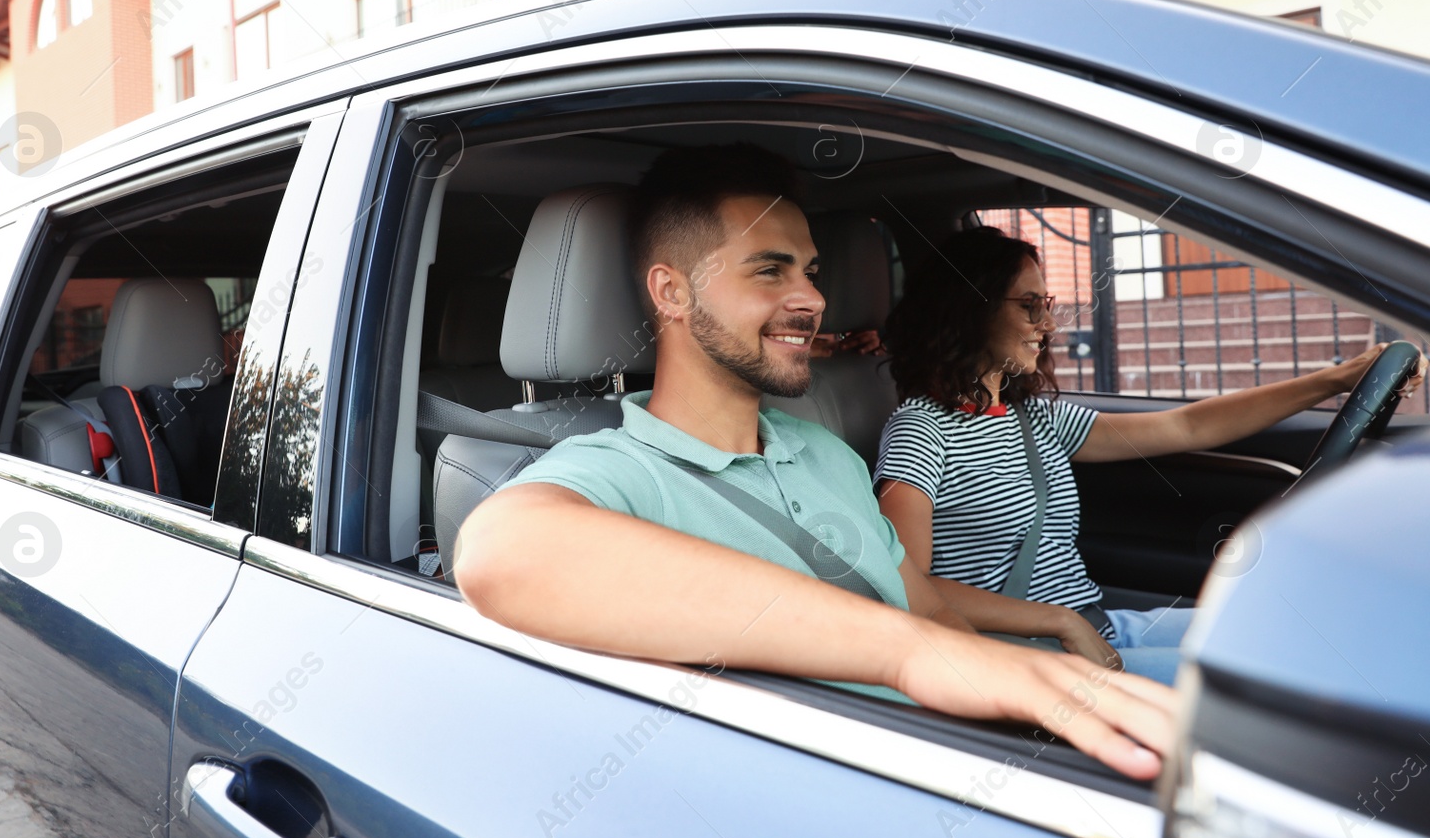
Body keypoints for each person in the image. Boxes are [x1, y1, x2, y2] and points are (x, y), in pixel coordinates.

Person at [454, 145, 1176, 779]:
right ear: (672, 292)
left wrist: (1017, 704)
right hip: (853, 782)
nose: (813, 298)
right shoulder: (619, 469)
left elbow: (929, 610)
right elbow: (501, 552)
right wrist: (907, 656)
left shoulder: (826, 452)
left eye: (810, 270)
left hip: (974, 756)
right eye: (770, 271)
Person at [875, 227, 1425, 685]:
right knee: (1272, 676)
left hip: (1101, 627)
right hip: (1029, 655)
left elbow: (1187, 424)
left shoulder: (1032, 418)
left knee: (1298, 636)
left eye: (1048, 305)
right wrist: (1059, 623)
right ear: (968, 308)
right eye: (1029, 306)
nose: (1047, 324)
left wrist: (1340, 377)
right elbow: (908, 584)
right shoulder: (921, 432)